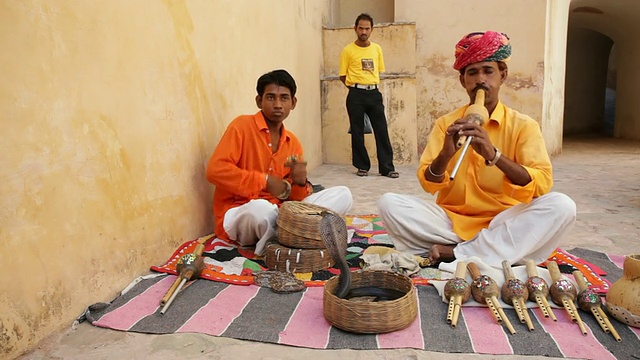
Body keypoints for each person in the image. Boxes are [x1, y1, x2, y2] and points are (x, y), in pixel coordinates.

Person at [377, 31, 576, 268]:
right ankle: (487, 252)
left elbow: (541, 184)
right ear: (463, 81)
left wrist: (495, 155)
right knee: (389, 203)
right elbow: (428, 183)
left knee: (562, 206)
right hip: (450, 224)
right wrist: (445, 154)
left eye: (488, 71)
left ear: (503, 75)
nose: (480, 79)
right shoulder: (446, 124)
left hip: (502, 223)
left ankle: (458, 253)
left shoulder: (524, 126)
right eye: (472, 72)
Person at [206, 69, 353, 256]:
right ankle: (287, 243)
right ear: (259, 101)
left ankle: (292, 235)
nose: (277, 105)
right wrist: (264, 181)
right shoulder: (241, 127)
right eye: (270, 98)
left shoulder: (293, 142)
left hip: (281, 214)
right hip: (242, 213)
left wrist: (300, 183)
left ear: (293, 103)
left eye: (284, 98)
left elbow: (295, 200)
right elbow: (215, 171)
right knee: (261, 209)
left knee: (343, 194)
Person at [339, 13, 398, 179]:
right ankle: (362, 166)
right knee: (357, 131)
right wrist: (356, 87)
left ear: (372, 30)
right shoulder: (348, 50)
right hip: (356, 94)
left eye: (367, 28)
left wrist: (368, 87)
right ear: (355, 29)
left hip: (374, 93)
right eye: (361, 28)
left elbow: (378, 71)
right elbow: (342, 75)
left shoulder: (377, 49)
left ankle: (387, 168)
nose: (364, 31)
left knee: (381, 130)